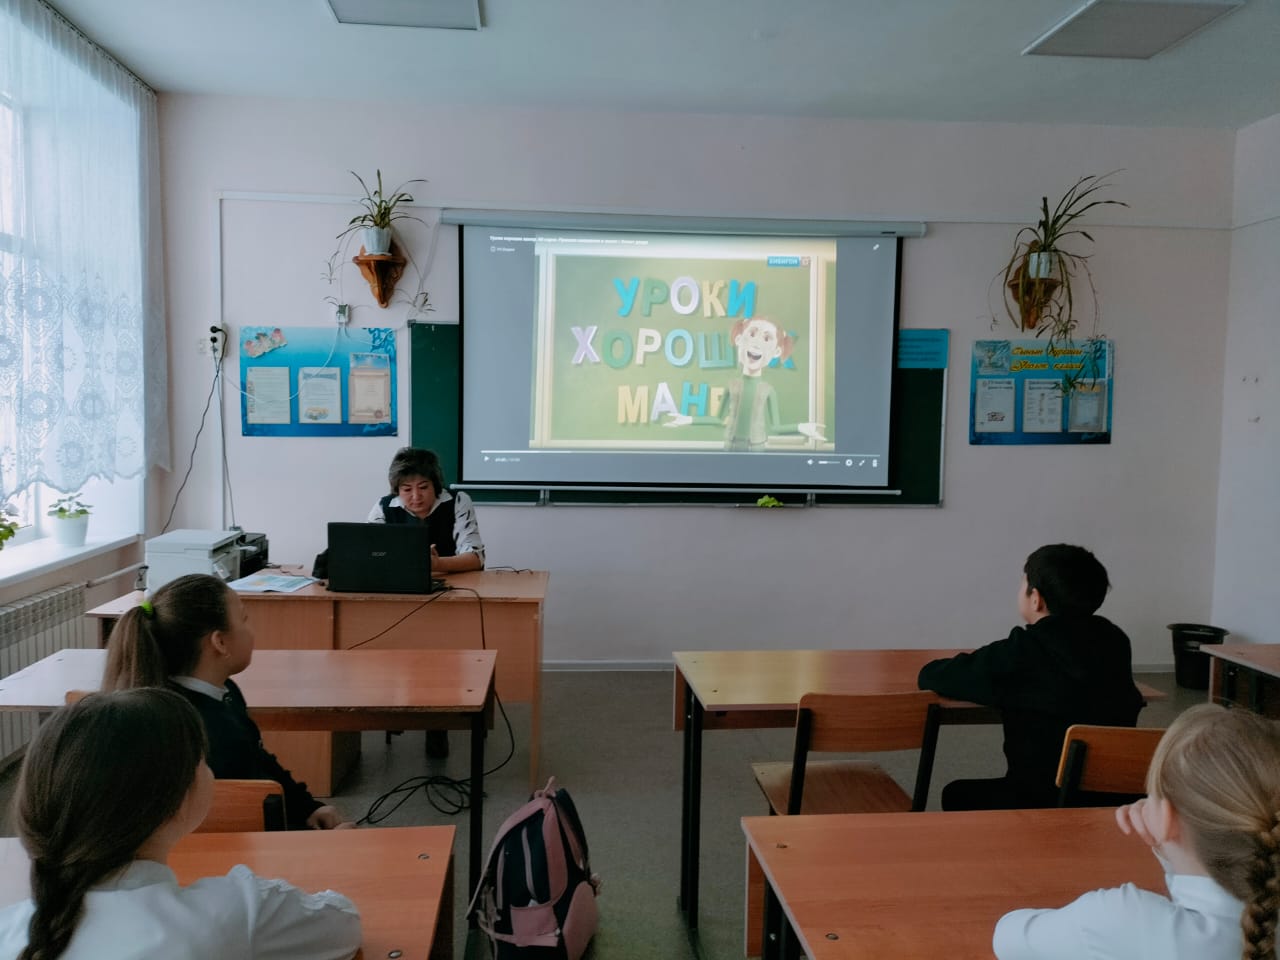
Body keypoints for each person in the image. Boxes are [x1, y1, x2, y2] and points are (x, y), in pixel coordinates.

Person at [0, 688, 362, 959]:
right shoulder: (240, 911)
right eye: (201, 759)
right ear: (175, 799)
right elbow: (343, 923)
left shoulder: (12, 928)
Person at [993, 703, 1280, 960]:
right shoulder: (1262, 917)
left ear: (1166, 819)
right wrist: (1171, 841)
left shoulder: (1121, 919)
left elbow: (1008, 937)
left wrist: (1169, 841)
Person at [102, 573, 354, 830]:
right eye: (244, 619)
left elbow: (259, 759)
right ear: (220, 642)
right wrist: (320, 841)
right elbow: (251, 815)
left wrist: (307, 807)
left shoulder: (222, 692)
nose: (251, 630)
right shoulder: (208, 732)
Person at [917, 543, 1144, 810]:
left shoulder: (1022, 651)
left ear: (1036, 598)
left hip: (1035, 802)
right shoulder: (1115, 641)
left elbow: (934, 676)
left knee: (956, 794)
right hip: (1113, 802)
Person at [367, 446, 485, 573]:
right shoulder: (383, 507)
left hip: (454, 580)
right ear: (397, 490)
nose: (416, 496)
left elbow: (475, 558)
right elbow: (369, 553)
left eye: (423, 487)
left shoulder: (457, 501)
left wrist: (437, 564)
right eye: (407, 489)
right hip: (398, 579)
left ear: (435, 484)